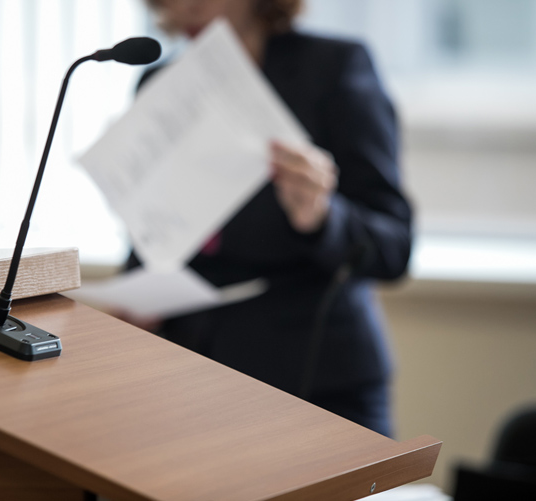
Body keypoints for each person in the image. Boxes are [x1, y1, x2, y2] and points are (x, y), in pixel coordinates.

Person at [125, 0, 412, 438]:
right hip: (193, 376)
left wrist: (322, 216)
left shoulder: (333, 67)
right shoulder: (158, 84)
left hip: (318, 380)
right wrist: (137, 300)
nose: (191, 4)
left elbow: (395, 246)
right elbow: (154, 236)